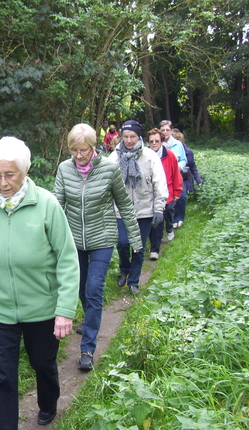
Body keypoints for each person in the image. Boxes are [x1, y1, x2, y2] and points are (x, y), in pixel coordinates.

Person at [0, 137, 79, 429]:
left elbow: (67, 258)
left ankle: (48, 402)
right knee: (0, 375)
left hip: (41, 307)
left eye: (9, 174)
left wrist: (65, 309)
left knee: (43, 364)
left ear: (25, 171)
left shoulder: (47, 205)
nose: (2, 182)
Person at [54, 124, 141, 371]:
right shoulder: (64, 169)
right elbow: (56, 206)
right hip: (73, 240)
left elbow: (124, 204)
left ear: (94, 147)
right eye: (73, 150)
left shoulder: (110, 169)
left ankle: (87, 349)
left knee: (94, 289)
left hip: (102, 238)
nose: (78, 155)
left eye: (83, 150)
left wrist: (135, 239)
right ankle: (90, 317)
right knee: (80, 288)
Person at [108, 121, 168, 294]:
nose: (129, 140)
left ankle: (133, 282)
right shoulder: (114, 158)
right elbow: (105, 183)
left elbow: (160, 183)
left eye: (132, 136)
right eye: (126, 137)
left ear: (138, 136)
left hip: (144, 210)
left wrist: (159, 208)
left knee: (138, 246)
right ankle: (124, 269)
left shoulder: (149, 156)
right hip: (120, 210)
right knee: (122, 242)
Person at [147, 129, 182, 260]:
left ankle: (159, 242)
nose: (154, 143)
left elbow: (176, 174)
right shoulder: (145, 155)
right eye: (151, 141)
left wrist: (178, 191)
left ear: (162, 141)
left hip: (166, 192)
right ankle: (154, 247)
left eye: (157, 141)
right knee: (152, 220)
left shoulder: (170, 155)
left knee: (164, 215)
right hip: (149, 194)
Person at [172, 130, 203, 228]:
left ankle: (180, 218)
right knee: (173, 199)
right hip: (172, 178)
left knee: (182, 197)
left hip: (184, 178)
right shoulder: (169, 151)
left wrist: (198, 180)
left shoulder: (188, 152)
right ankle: (173, 219)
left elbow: (193, 166)